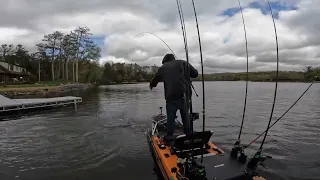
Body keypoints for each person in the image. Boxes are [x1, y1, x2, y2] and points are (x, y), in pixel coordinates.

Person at [149, 53, 198, 137]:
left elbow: (155, 80)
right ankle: (188, 134)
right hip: (185, 95)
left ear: (165, 61)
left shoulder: (163, 68)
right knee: (185, 116)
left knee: (170, 118)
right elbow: (195, 74)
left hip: (171, 97)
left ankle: (169, 136)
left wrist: (151, 85)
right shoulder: (183, 63)